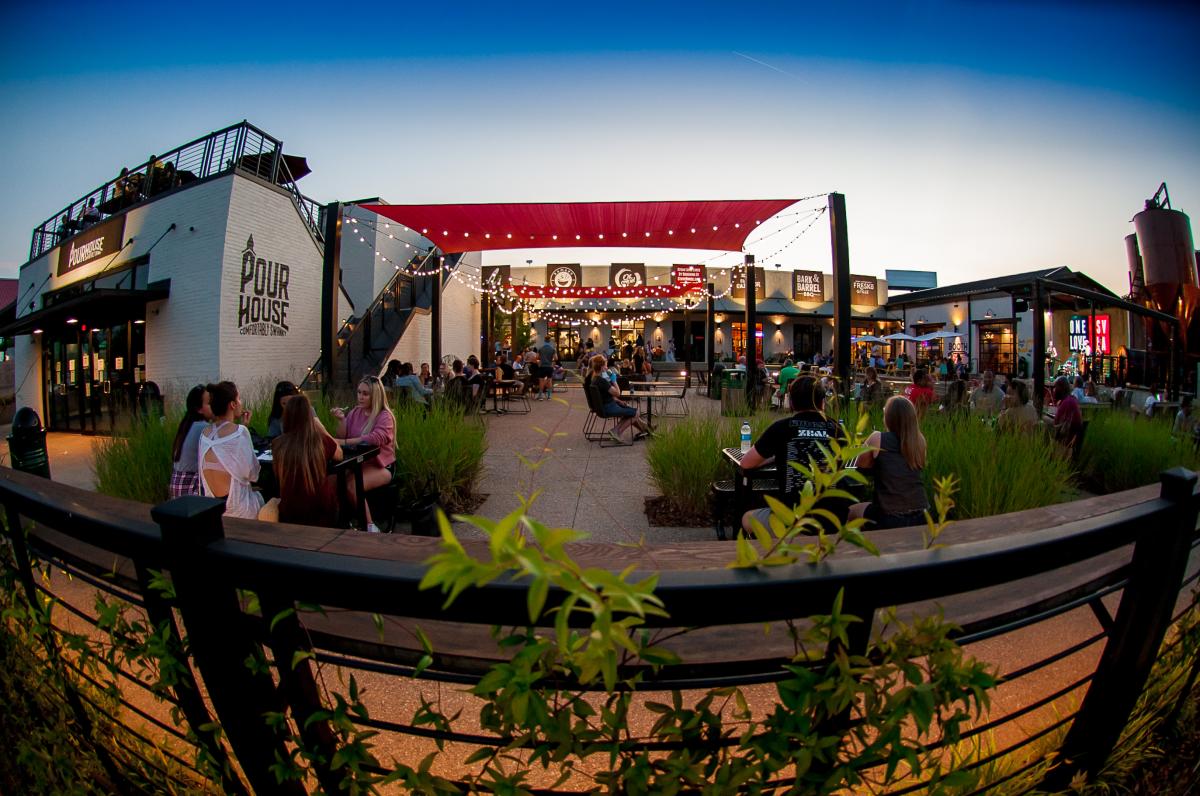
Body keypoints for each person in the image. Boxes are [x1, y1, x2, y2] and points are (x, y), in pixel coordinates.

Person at [740, 376, 846, 535]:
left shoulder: (781, 428)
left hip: (792, 518)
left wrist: (776, 456)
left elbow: (746, 463)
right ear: (822, 402)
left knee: (747, 518)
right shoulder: (837, 429)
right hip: (831, 519)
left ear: (792, 402)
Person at [849, 396, 930, 529]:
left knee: (851, 511)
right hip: (922, 515)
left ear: (889, 417)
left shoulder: (877, 438)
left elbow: (858, 464)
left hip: (889, 517)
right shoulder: (920, 441)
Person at [332, 376, 396, 534]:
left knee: (352, 485)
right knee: (332, 480)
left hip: (381, 466)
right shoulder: (355, 412)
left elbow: (376, 438)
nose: (360, 396)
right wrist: (341, 420)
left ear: (375, 395)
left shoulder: (384, 416)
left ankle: (369, 526)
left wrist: (345, 442)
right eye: (359, 392)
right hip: (358, 463)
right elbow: (342, 436)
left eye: (365, 394)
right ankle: (339, 520)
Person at [272, 393, 343, 528]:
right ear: (309, 416)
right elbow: (339, 454)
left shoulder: (278, 444)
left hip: (290, 511)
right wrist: (322, 429)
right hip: (321, 510)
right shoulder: (320, 441)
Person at [198, 381, 264, 520]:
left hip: (213, 509)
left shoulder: (205, 433)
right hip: (238, 510)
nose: (241, 402)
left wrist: (243, 426)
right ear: (232, 404)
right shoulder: (240, 432)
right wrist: (243, 428)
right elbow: (253, 475)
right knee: (262, 496)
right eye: (239, 399)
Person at [589, 354, 650, 443]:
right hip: (608, 408)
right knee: (635, 413)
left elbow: (605, 396)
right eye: (605, 365)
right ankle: (616, 432)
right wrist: (614, 380)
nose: (606, 367)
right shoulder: (602, 381)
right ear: (602, 367)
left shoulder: (594, 379)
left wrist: (619, 401)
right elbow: (617, 393)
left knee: (630, 410)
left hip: (605, 407)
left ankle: (646, 429)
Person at [169, 385, 212, 497]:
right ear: (199, 409)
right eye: (209, 403)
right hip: (190, 491)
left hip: (177, 489)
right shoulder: (204, 428)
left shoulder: (187, 425)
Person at [1047, 375, 1083, 447]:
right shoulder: (1071, 400)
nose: (1053, 390)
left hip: (1063, 441)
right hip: (1070, 438)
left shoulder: (1066, 403)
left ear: (1061, 388)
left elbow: (1056, 424)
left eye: (1055, 387)